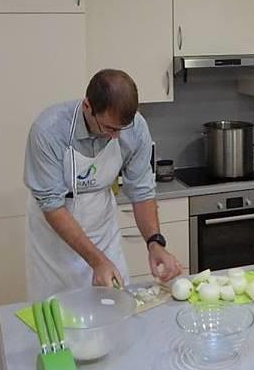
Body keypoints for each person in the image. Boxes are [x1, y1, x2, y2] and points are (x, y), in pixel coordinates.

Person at [23, 69, 182, 300]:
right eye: (109, 128)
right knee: (59, 313)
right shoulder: (49, 130)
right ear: (87, 107)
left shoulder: (135, 128)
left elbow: (141, 191)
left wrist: (154, 243)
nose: (115, 137)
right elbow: (52, 206)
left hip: (103, 235)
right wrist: (96, 260)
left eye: (121, 129)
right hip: (54, 248)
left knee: (118, 308)